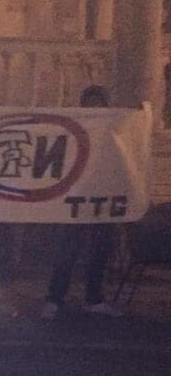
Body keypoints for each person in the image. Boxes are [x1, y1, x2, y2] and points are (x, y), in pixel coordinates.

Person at [40, 85, 124, 319]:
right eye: (90, 104)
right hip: (75, 198)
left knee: (100, 250)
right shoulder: (71, 129)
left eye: (98, 104)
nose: (94, 108)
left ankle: (93, 298)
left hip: (102, 198)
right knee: (68, 250)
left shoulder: (113, 131)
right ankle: (54, 298)